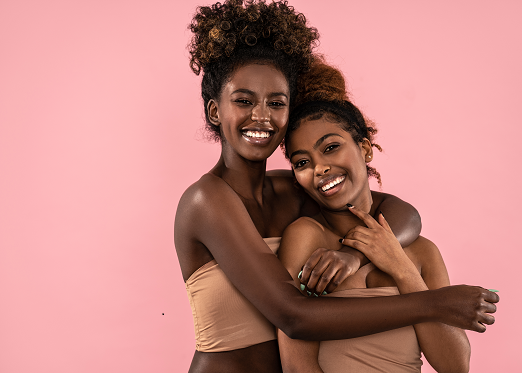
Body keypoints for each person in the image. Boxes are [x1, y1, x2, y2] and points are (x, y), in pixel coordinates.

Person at [175, 1, 498, 372]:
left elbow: (397, 210)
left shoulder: (292, 190)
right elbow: (294, 317)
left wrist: (359, 254)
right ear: (215, 111)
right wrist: (436, 304)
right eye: (244, 101)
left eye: (276, 102)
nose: (261, 115)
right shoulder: (206, 200)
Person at [277, 59, 475, 373]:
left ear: (366, 149)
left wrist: (399, 265)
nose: (319, 168)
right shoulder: (307, 237)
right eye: (302, 162)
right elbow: (297, 362)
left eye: (330, 147)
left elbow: (455, 365)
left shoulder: (423, 252)